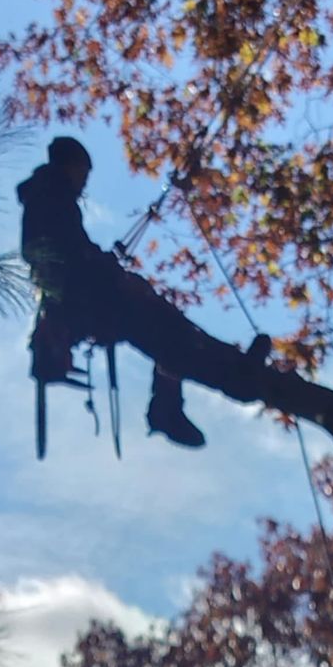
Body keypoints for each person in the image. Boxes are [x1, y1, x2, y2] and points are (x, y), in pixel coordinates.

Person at [18, 137, 206, 448]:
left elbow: (69, 249)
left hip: (79, 295)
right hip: (82, 296)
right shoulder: (52, 196)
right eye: (84, 173)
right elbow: (68, 252)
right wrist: (103, 268)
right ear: (72, 166)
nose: (84, 182)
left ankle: (169, 404)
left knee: (166, 325)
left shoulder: (47, 196)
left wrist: (99, 263)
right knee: (168, 326)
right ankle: (167, 407)